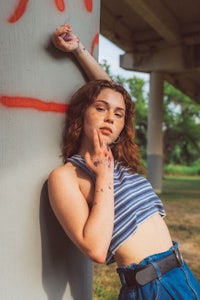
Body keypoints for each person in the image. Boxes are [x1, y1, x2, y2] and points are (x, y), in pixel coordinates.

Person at [48, 24, 200, 300]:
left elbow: (117, 93)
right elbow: (94, 248)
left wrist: (78, 50)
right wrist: (103, 178)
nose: (110, 118)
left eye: (118, 115)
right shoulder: (66, 176)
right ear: (82, 114)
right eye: (100, 109)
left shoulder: (118, 159)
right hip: (149, 288)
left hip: (182, 275)